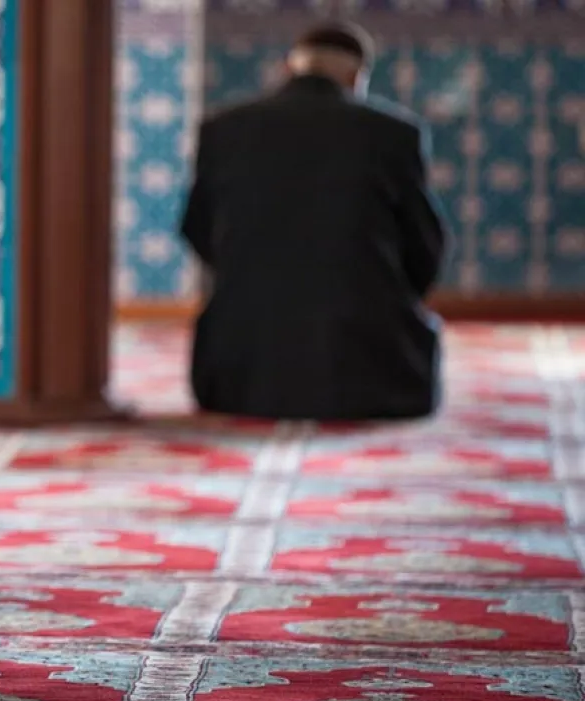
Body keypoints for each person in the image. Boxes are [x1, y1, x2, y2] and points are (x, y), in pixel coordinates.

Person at [179, 22, 450, 421]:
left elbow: (196, 227)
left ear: (288, 69)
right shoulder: (394, 134)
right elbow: (425, 246)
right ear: (356, 78)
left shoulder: (222, 130)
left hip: (242, 379)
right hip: (373, 381)